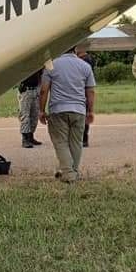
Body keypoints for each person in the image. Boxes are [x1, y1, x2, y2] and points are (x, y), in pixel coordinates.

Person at [39, 49, 96, 184]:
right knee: (76, 143)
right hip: (79, 110)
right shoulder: (85, 66)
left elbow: (43, 90)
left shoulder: (51, 65)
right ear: (75, 50)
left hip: (58, 109)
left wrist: (41, 110)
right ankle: (73, 171)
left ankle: (69, 174)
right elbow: (91, 90)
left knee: (60, 142)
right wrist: (90, 111)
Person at [75, 44, 96, 146]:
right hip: (84, 90)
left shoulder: (84, 60)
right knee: (85, 114)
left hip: (81, 90)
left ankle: (82, 138)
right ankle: (84, 138)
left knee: (82, 115)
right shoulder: (88, 59)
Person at [17, 70, 43, 148]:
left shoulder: (37, 66)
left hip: (35, 90)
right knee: (25, 115)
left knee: (34, 115)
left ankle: (31, 137)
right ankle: (25, 139)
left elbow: (40, 76)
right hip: (25, 90)